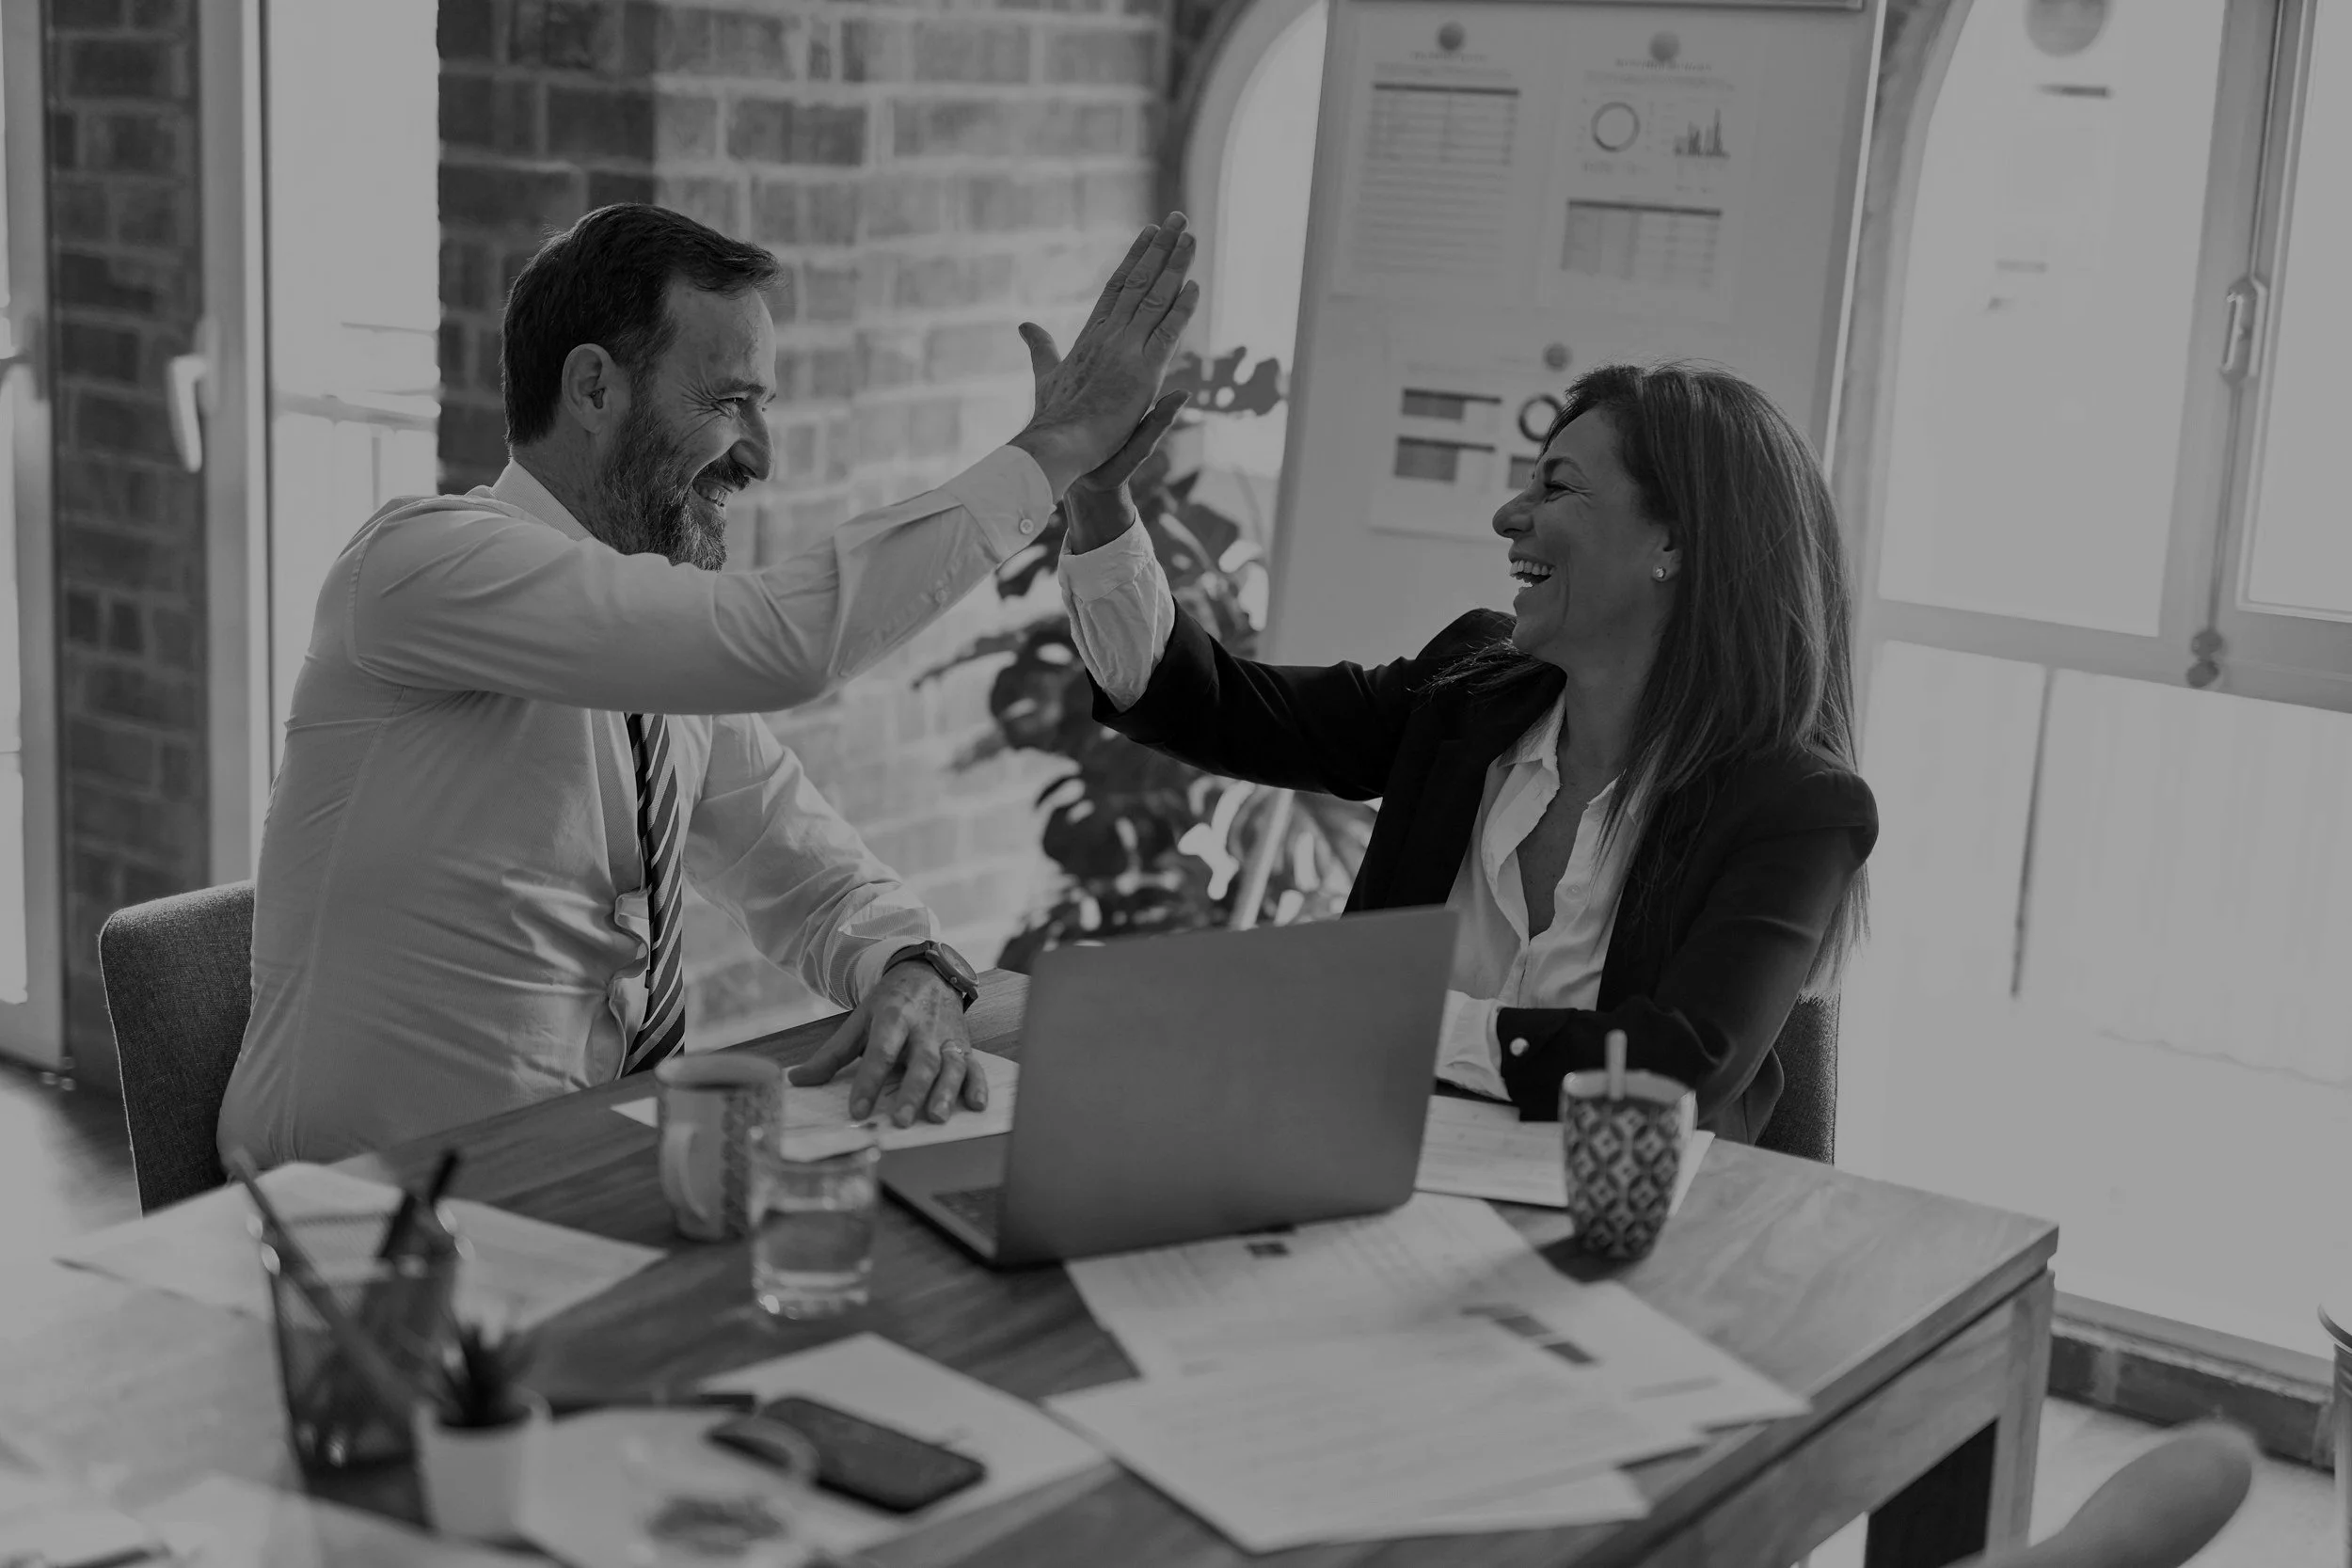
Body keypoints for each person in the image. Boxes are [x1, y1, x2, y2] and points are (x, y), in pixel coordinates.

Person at [217, 203, 1198, 1166]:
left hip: (575, 1179)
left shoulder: (652, 657)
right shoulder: (420, 565)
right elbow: (785, 643)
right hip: (352, 1217)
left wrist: (914, 963)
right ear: (594, 388)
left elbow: (810, 872)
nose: (760, 457)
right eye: (730, 402)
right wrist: (1055, 448)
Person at [1053, 360, 1874, 1143]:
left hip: (1621, 1221)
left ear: (1674, 544)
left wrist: (1401, 1022)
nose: (1508, 516)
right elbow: (1215, 708)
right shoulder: (1468, 692)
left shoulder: (1795, 806)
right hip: (1366, 1171)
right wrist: (1097, 498)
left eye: (1556, 487)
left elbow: (1677, 1066)